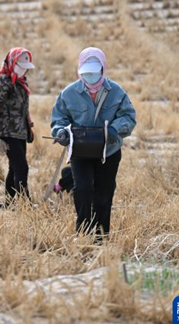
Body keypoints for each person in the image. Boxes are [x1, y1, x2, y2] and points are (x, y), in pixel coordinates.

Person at [51, 47, 136, 240]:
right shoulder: (68, 93)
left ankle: (101, 237)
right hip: (81, 151)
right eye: (86, 73)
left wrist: (115, 130)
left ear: (103, 69)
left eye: (94, 73)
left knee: (104, 194)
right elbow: (59, 119)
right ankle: (83, 232)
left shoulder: (117, 92)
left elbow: (128, 117)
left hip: (109, 151)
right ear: (80, 70)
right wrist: (61, 132)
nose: (90, 78)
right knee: (82, 188)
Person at [0, 47, 36, 204]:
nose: (24, 71)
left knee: (14, 167)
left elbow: (23, 109)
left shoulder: (21, 83)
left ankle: (11, 201)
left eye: (26, 69)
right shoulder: (4, 81)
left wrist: (29, 128)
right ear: (12, 63)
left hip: (19, 132)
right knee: (21, 167)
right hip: (7, 132)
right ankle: (23, 201)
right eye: (21, 67)